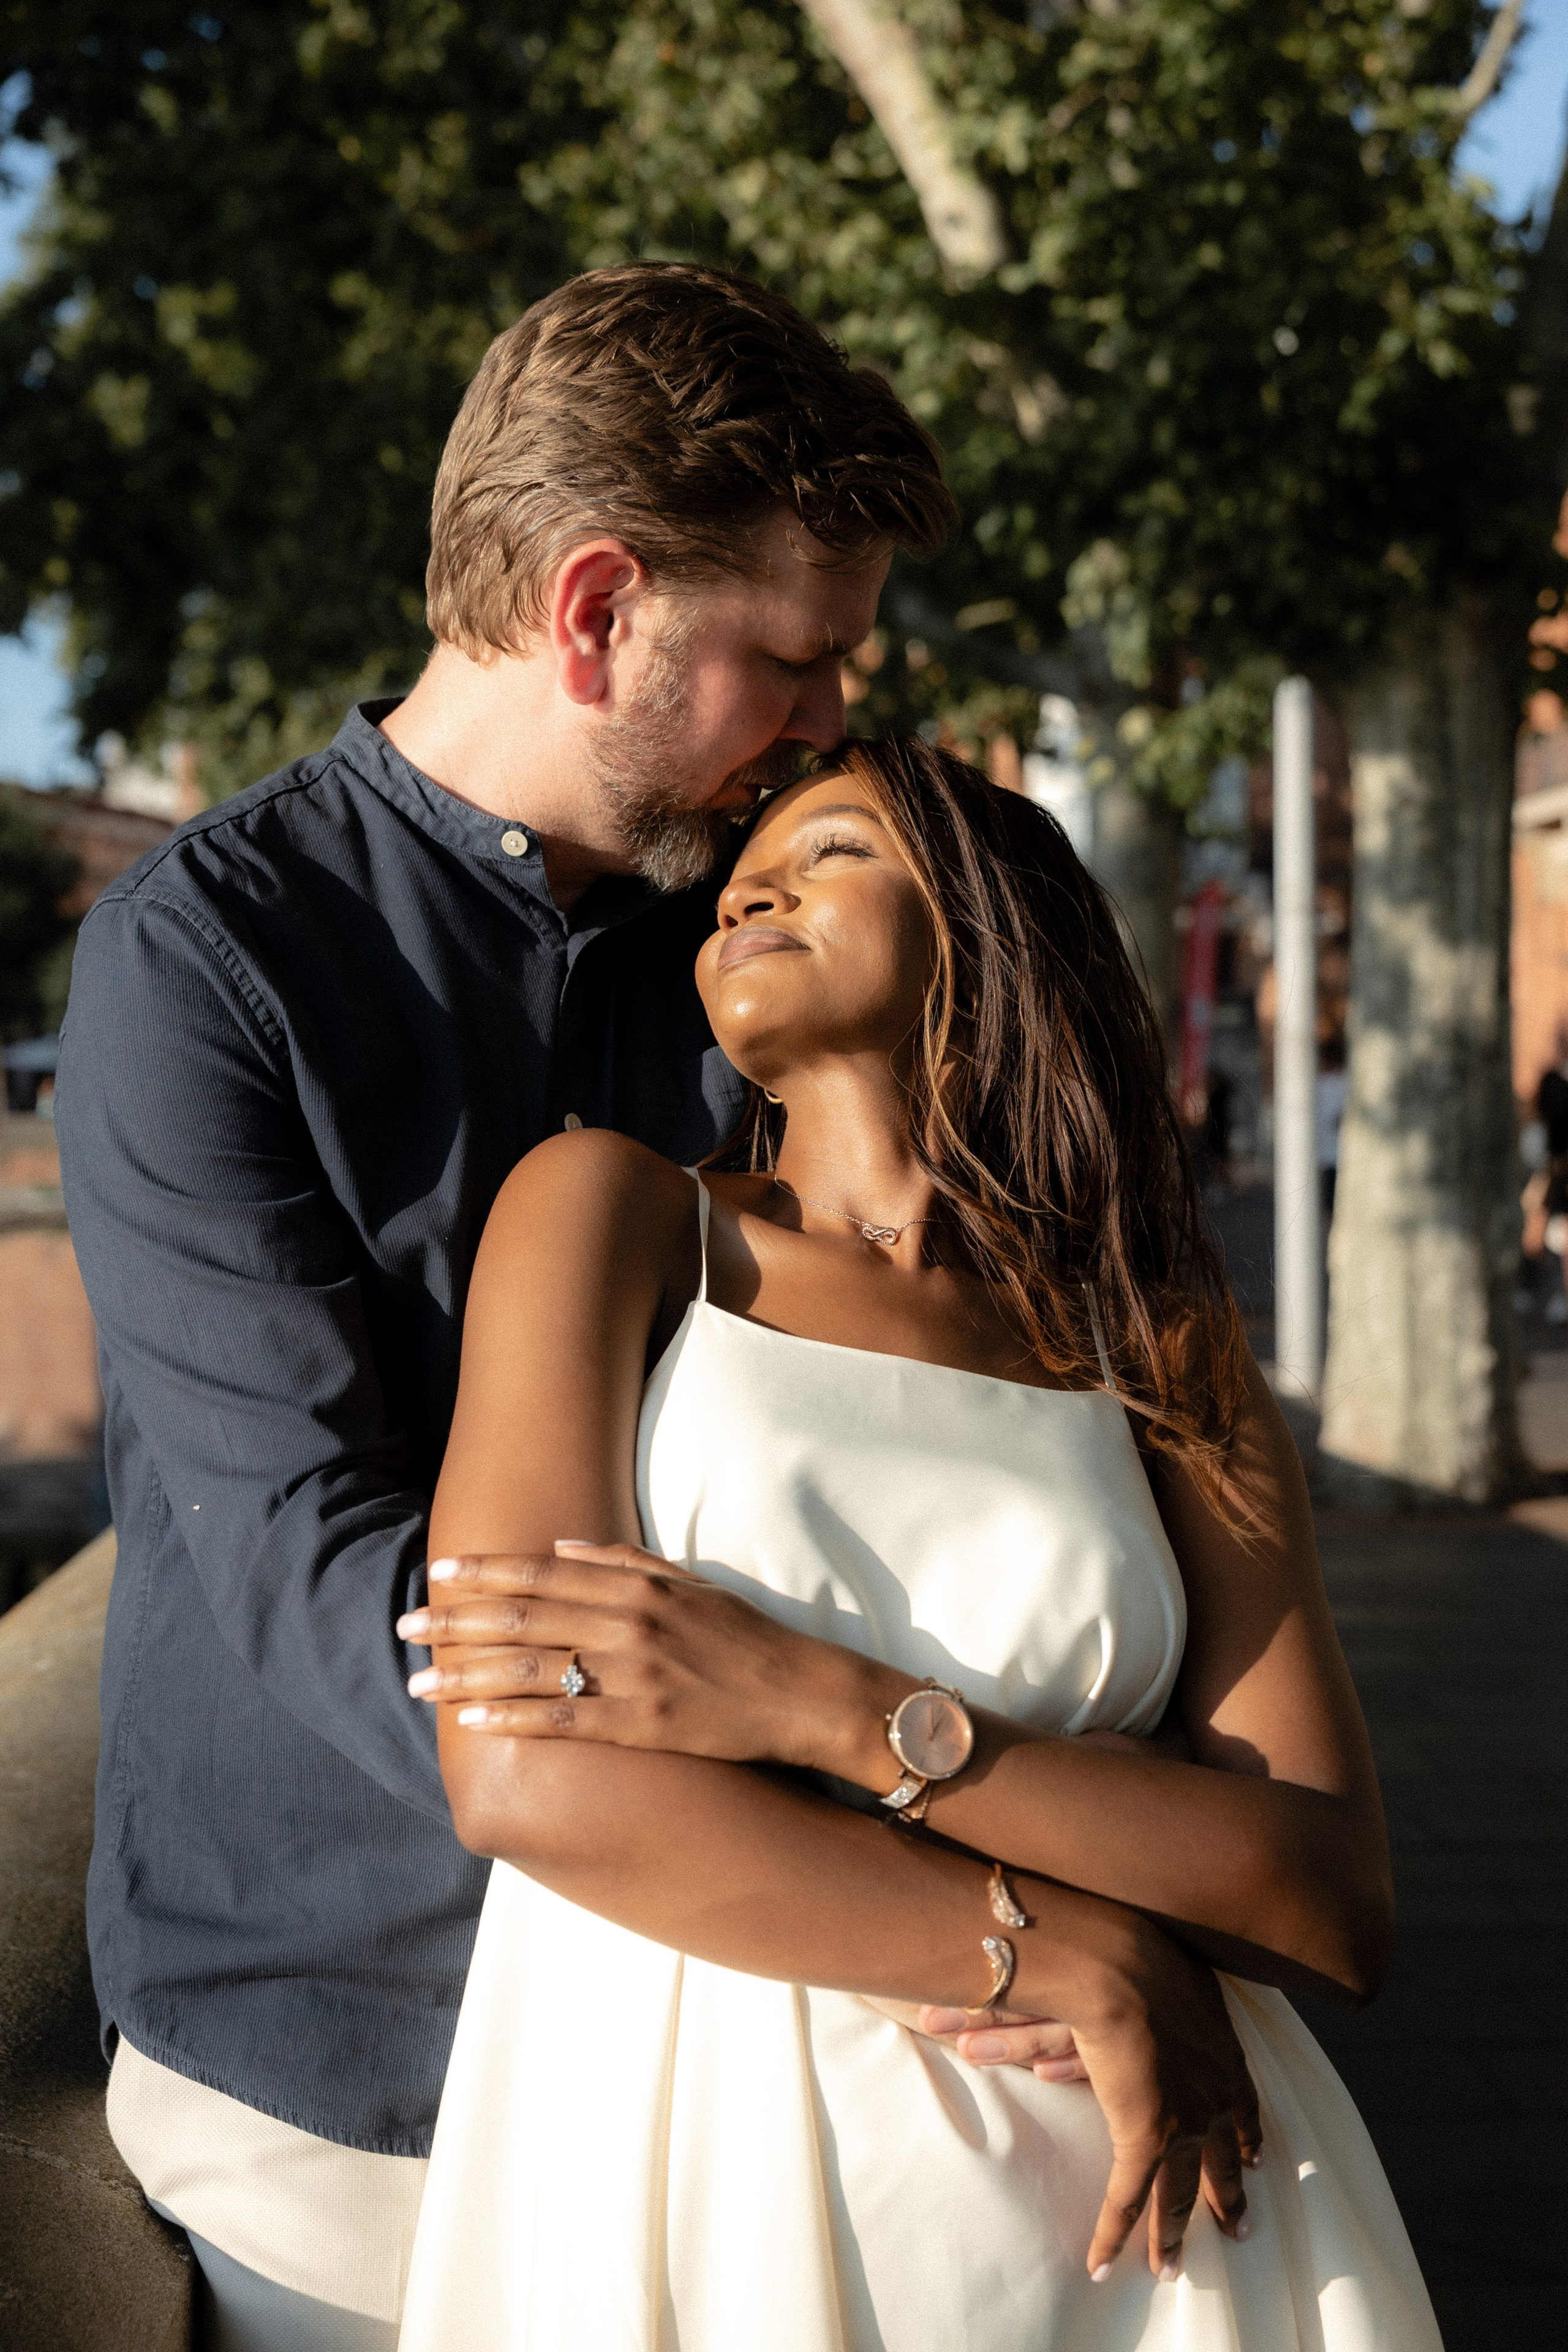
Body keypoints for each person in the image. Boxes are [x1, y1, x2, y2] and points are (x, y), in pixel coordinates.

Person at [53, 263, 955, 2350]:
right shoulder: (206, 968)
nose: (832, 719)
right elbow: (314, 1564)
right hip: (364, 2074)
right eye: (793, 660)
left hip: (762, 2016)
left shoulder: (756, 934)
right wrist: (901, 1850)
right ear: (595, 607)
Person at [395, 740, 1441, 2350]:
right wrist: (1067, 1947)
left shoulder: (1156, 1339)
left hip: (1161, 2213)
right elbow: (525, 1773)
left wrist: (831, 1711)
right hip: (716, 2125)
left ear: (986, 931)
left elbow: (1323, 1894)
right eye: (746, 866)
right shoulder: (610, 1217)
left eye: (832, 851)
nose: (752, 883)